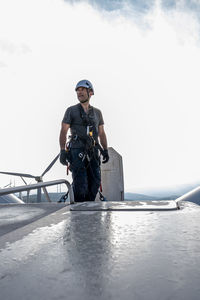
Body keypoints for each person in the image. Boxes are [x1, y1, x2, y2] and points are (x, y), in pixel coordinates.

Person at [59, 79, 109, 202]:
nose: (79, 93)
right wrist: (62, 151)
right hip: (77, 151)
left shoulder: (97, 113)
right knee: (81, 183)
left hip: (93, 151)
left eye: (82, 90)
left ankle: (89, 207)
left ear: (90, 92)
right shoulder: (71, 111)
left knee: (95, 181)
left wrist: (105, 150)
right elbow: (63, 131)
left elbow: (101, 133)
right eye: (78, 91)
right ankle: (79, 210)